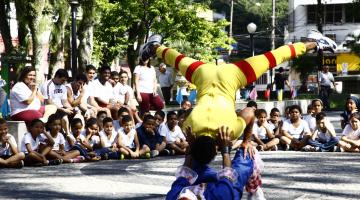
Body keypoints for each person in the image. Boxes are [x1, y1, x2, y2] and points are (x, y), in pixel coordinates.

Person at [139, 31, 336, 140]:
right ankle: (154, 46)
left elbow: (249, 112)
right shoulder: (191, 127)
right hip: (204, 74)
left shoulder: (230, 131)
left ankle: (314, 42)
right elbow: (185, 127)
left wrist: (244, 144)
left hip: (231, 77)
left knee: (273, 58)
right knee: (178, 59)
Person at [41, 69, 72, 134]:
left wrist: (71, 108)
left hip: (60, 108)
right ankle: (67, 135)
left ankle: (68, 136)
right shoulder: (47, 85)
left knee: (76, 115)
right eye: (62, 80)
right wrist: (63, 110)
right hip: (50, 109)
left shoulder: (63, 87)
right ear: (57, 76)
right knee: (65, 119)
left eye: (65, 81)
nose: (63, 82)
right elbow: (48, 102)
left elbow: (65, 102)